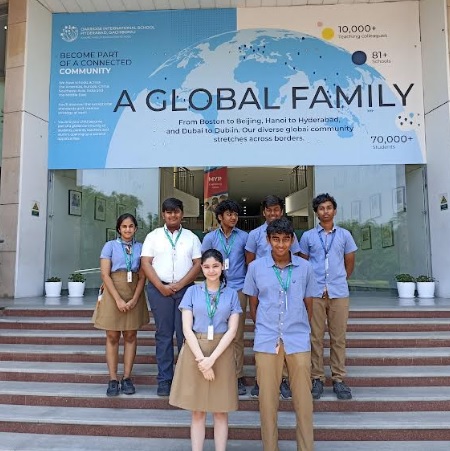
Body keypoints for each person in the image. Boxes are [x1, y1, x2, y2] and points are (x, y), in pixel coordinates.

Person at [243, 217, 315, 451]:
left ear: (292, 240)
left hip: (297, 339)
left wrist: (300, 326)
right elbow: (253, 304)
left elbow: (309, 304)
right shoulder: (255, 268)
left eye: (285, 239)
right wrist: (265, 326)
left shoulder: (305, 267)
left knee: (304, 401)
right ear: (268, 240)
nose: (281, 244)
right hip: (267, 339)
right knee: (267, 402)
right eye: (276, 239)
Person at [169, 249, 242, 451]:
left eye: (215, 266)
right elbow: (186, 328)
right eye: (207, 267)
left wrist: (212, 359)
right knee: (198, 411)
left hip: (222, 351)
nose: (211, 271)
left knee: (221, 410)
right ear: (201, 268)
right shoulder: (192, 292)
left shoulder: (231, 294)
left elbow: (232, 330)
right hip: (195, 350)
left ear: (222, 267)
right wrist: (203, 360)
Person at [141, 197, 202, 396]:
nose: (172, 215)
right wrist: (161, 286)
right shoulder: (153, 236)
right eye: (168, 212)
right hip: (159, 291)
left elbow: (198, 264)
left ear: (182, 214)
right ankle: (164, 379)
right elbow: (146, 263)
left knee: (185, 334)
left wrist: (180, 285)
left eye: (176, 211)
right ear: (163, 215)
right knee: (164, 335)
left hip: (185, 290)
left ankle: (186, 378)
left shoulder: (191, 237)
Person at [299, 193, 357, 400]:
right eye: (321, 208)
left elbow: (349, 261)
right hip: (314, 293)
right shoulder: (308, 237)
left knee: (338, 337)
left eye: (329, 207)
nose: (325, 211)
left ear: (335, 210)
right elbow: (303, 263)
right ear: (316, 213)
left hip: (338, 292)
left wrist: (338, 280)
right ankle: (317, 378)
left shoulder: (345, 235)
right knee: (315, 337)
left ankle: (338, 379)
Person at [245, 194, 300, 399]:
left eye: (276, 209)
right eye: (269, 210)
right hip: (264, 289)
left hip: (286, 289)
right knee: (263, 336)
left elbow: (296, 259)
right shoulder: (254, 235)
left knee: (285, 335)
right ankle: (261, 380)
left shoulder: (290, 234)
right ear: (264, 212)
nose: (273, 213)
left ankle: (283, 379)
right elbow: (249, 261)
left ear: (282, 211)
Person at [93, 213, 150, 397]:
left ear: (136, 228)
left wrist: (134, 299)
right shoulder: (110, 246)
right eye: (124, 226)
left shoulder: (141, 247)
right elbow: (105, 274)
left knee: (131, 335)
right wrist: (117, 299)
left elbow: (143, 276)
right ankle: (112, 379)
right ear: (119, 229)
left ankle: (126, 378)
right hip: (113, 291)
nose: (127, 229)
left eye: (131, 226)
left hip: (134, 291)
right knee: (112, 335)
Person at [201, 199, 249, 395]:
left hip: (238, 289)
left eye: (236, 214)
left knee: (237, 335)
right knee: (217, 331)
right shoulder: (210, 238)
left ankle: (237, 375)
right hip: (217, 289)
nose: (233, 217)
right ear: (220, 217)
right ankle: (216, 371)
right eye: (229, 214)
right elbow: (205, 264)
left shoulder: (244, 237)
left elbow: (249, 262)